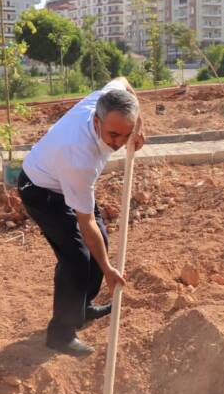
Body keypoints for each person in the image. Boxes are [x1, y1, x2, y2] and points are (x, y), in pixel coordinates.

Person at [18, 77, 144, 357]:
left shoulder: (110, 98)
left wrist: (140, 128)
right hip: (40, 188)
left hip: (62, 179)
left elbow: (123, 81)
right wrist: (109, 269)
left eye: (127, 134)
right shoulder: (80, 157)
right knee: (77, 257)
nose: (120, 143)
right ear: (97, 123)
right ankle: (60, 334)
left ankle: (82, 307)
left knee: (101, 242)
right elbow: (84, 224)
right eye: (114, 135)